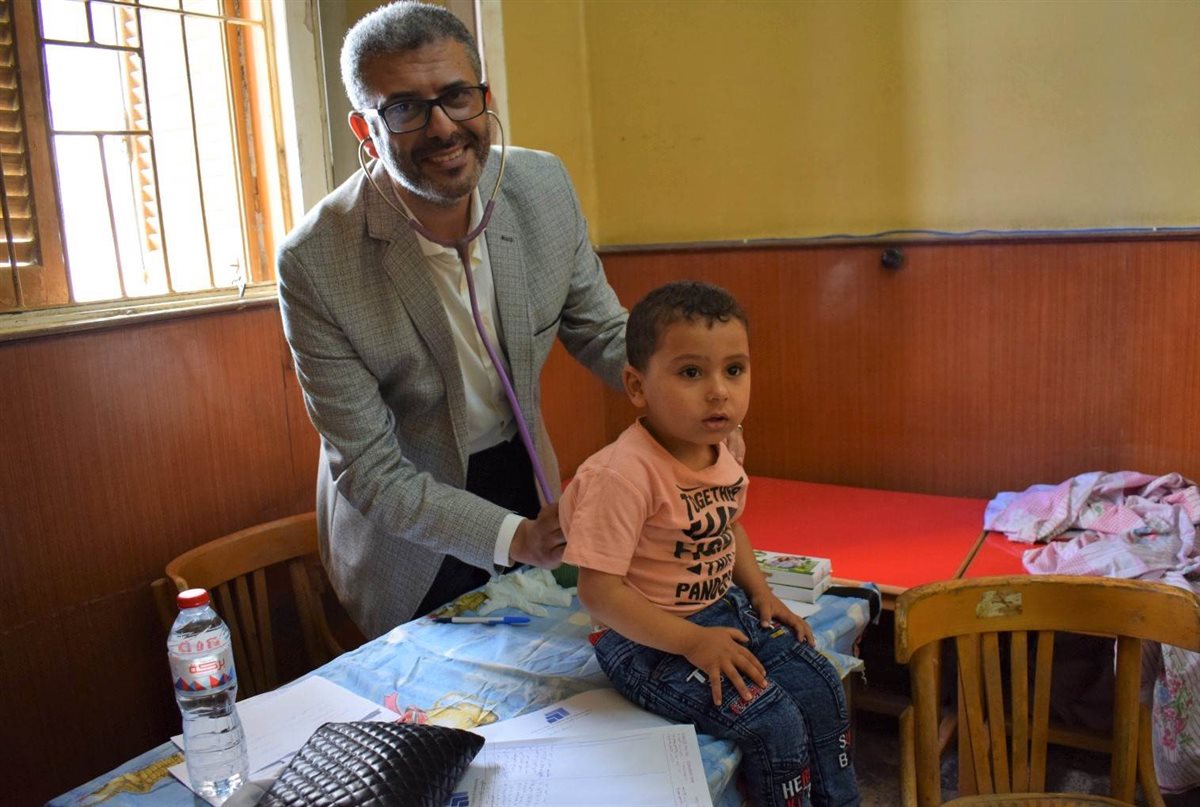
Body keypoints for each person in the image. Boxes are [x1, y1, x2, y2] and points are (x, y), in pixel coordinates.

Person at [275, 1, 631, 638]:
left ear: (483, 97)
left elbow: (603, 332)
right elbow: (369, 469)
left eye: (456, 96)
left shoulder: (542, 187)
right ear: (364, 129)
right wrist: (514, 537)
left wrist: (691, 394)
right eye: (405, 108)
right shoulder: (316, 260)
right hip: (407, 528)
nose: (442, 128)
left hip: (523, 477)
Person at [560, 281, 859, 807]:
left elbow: (727, 528)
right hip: (644, 639)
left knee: (821, 685)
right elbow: (598, 592)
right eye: (691, 373)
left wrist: (761, 592)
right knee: (772, 720)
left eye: (734, 370)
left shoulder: (721, 448)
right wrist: (693, 642)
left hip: (723, 611)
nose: (719, 391)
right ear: (636, 386)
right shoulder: (621, 476)